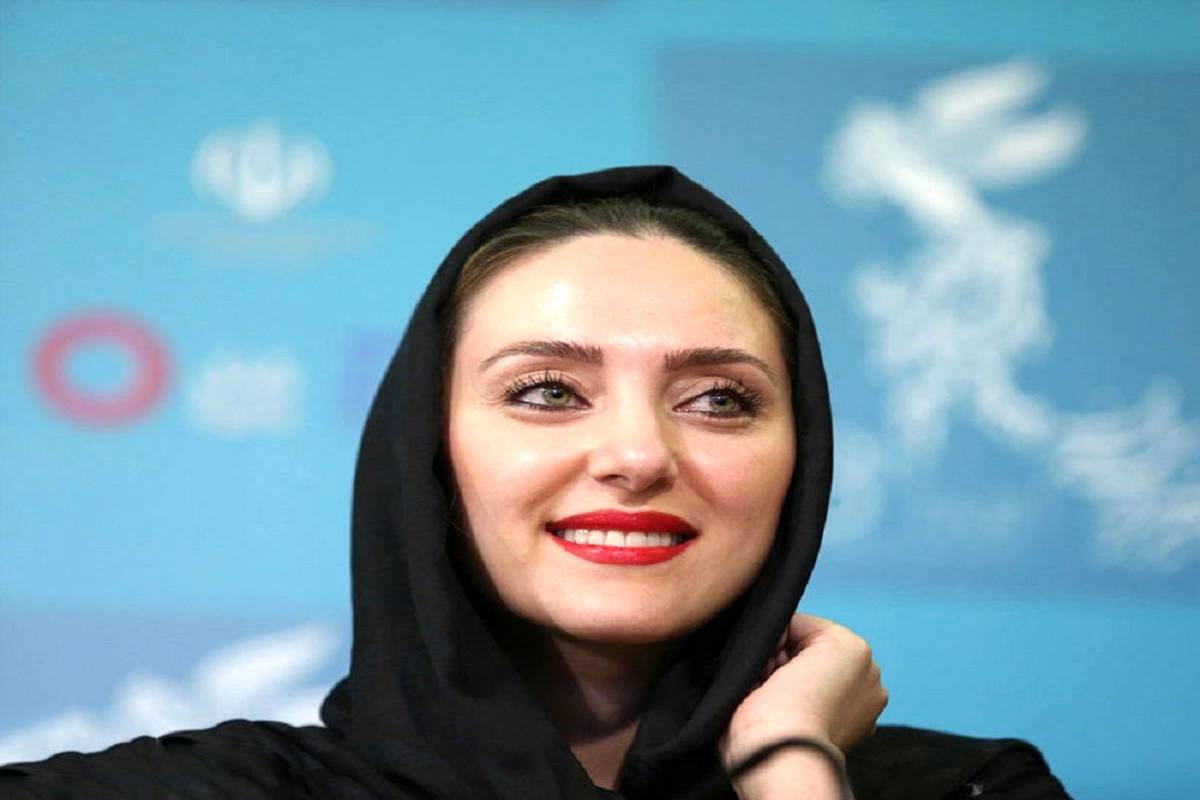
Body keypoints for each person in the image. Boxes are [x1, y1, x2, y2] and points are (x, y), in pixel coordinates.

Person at [0, 166, 1070, 799]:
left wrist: (790, 767)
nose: (638, 455)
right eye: (549, 391)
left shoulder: (962, 790)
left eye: (718, 399)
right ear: (427, 446)